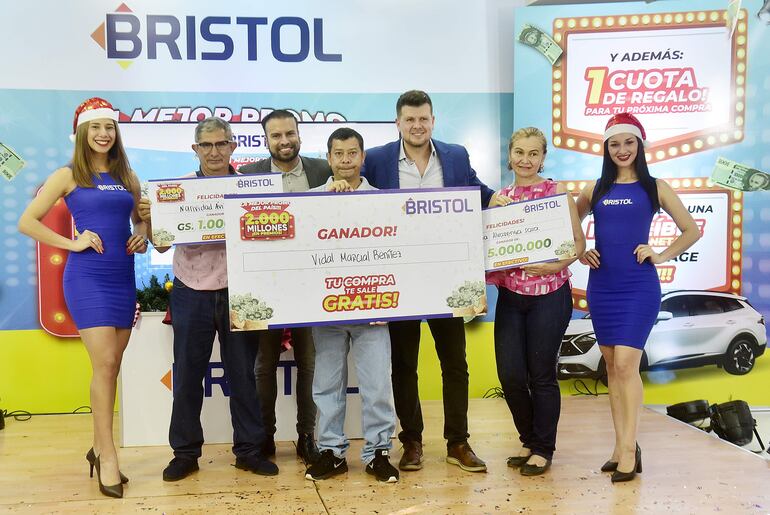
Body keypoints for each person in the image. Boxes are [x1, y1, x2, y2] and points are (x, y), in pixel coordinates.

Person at [18, 97, 147, 498]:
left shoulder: (127, 175)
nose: (104, 133)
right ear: (82, 133)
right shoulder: (68, 174)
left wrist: (142, 231)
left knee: (112, 366)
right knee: (105, 361)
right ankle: (108, 457)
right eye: (96, 127)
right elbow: (27, 221)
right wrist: (71, 244)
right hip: (87, 278)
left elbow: (140, 219)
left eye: (109, 127)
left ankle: (98, 447)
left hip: (122, 277)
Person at [138, 117, 277, 481]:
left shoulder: (253, 187)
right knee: (186, 376)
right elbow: (162, 243)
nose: (214, 152)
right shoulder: (176, 190)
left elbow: (272, 234)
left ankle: (249, 450)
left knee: (244, 376)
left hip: (240, 289)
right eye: (207, 145)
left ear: (233, 147)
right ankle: (185, 454)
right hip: (191, 289)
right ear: (195, 150)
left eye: (221, 144)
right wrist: (151, 219)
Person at [363, 90, 494, 473]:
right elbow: (358, 200)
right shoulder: (376, 159)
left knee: (455, 362)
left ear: (433, 121)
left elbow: (477, 193)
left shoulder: (456, 155)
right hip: (400, 278)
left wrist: (503, 201)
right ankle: (413, 442)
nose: (417, 126)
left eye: (424, 119)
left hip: (448, 276)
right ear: (398, 123)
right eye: (410, 120)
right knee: (403, 365)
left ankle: (458, 442)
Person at [576, 113, 700, 483]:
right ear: (606, 148)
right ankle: (620, 446)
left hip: (638, 287)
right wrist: (581, 249)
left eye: (629, 142)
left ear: (640, 145)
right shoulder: (596, 189)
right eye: (614, 144)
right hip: (603, 286)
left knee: (628, 365)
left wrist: (660, 254)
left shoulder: (654, 187)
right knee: (612, 366)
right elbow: (568, 217)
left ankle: (630, 449)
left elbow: (691, 230)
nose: (622, 150)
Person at [486, 127, 585, 476]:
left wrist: (554, 264)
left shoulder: (557, 192)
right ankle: (529, 439)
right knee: (511, 375)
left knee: (541, 374)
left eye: (533, 154)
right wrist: (489, 212)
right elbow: (490, 249)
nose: (525, 160)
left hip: (550, 295)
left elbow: (578, 244)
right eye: (519, 152)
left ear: (543, 158)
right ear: (510, 155)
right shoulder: (500, 198)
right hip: (512, 297)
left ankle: (543, 448)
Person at [303, 127, 399, 483]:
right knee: (326, 385)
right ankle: (331, 451)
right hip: (326, 310)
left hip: (373, 309)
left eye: (352, 153)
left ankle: (378, 452)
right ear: (329, 158)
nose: (346, 160)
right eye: (339, 154)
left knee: (377, 385)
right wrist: (330, 197)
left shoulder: (384, 201)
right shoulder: (309, 199)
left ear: (362, 157)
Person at [239, 109, 331, 462]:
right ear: (266, 141)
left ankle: (307, 435)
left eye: (289, 134)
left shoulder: (322, 171)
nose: (284, 141)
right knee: (264, 364)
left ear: (299, 135)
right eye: (276, 136)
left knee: (309, 363)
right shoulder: (248, 175)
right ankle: (265, 437)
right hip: (266, 286)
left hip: (312, 284)